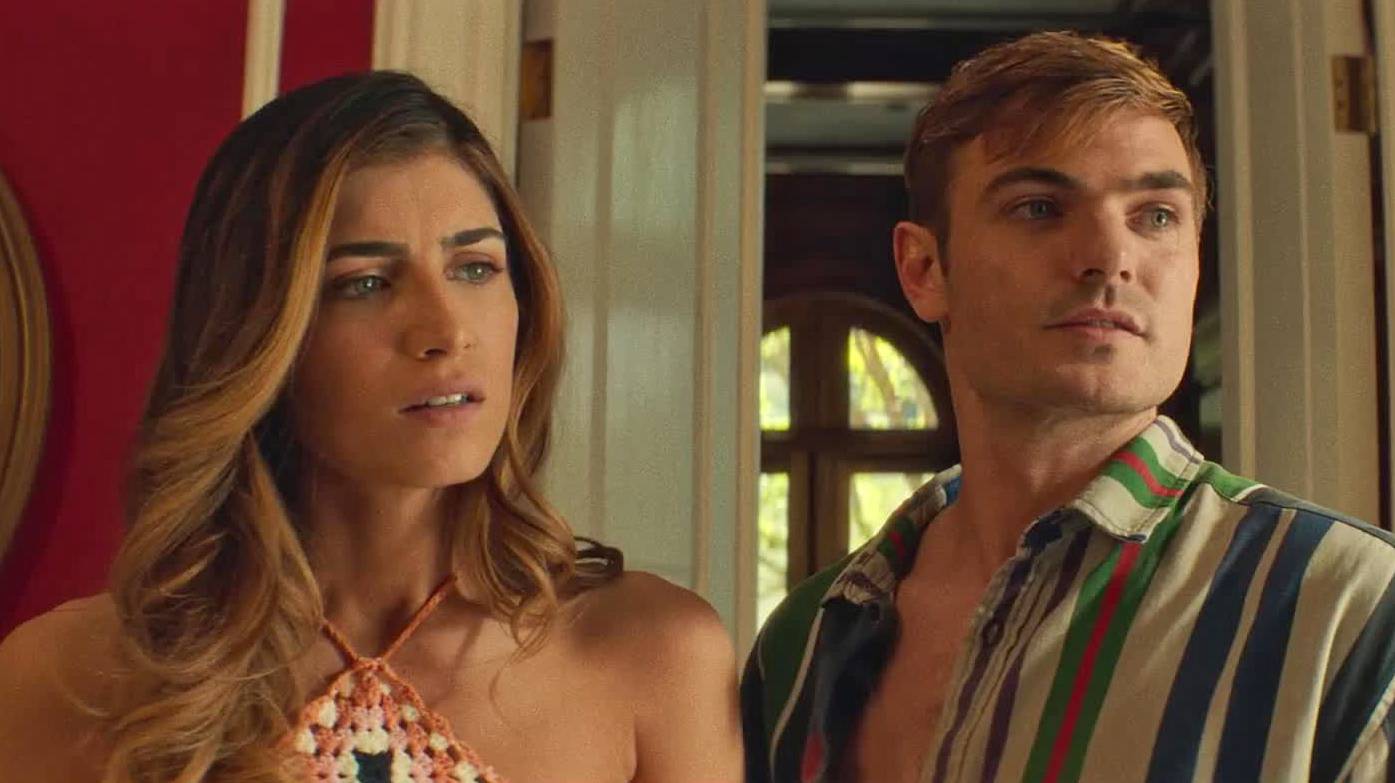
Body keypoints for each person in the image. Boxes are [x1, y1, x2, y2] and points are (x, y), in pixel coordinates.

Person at [0, 72, 742, 782]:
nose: (445, 331)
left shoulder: (655, 656)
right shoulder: (65, 679)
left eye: (475, 267)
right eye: (364, 283)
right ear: (256, 332)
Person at [741, 31, 1395, 783]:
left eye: (1156, 215)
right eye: (1040, 207)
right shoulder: (803, 642)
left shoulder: (1350, 610)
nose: (1109, 257)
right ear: (924, 268)